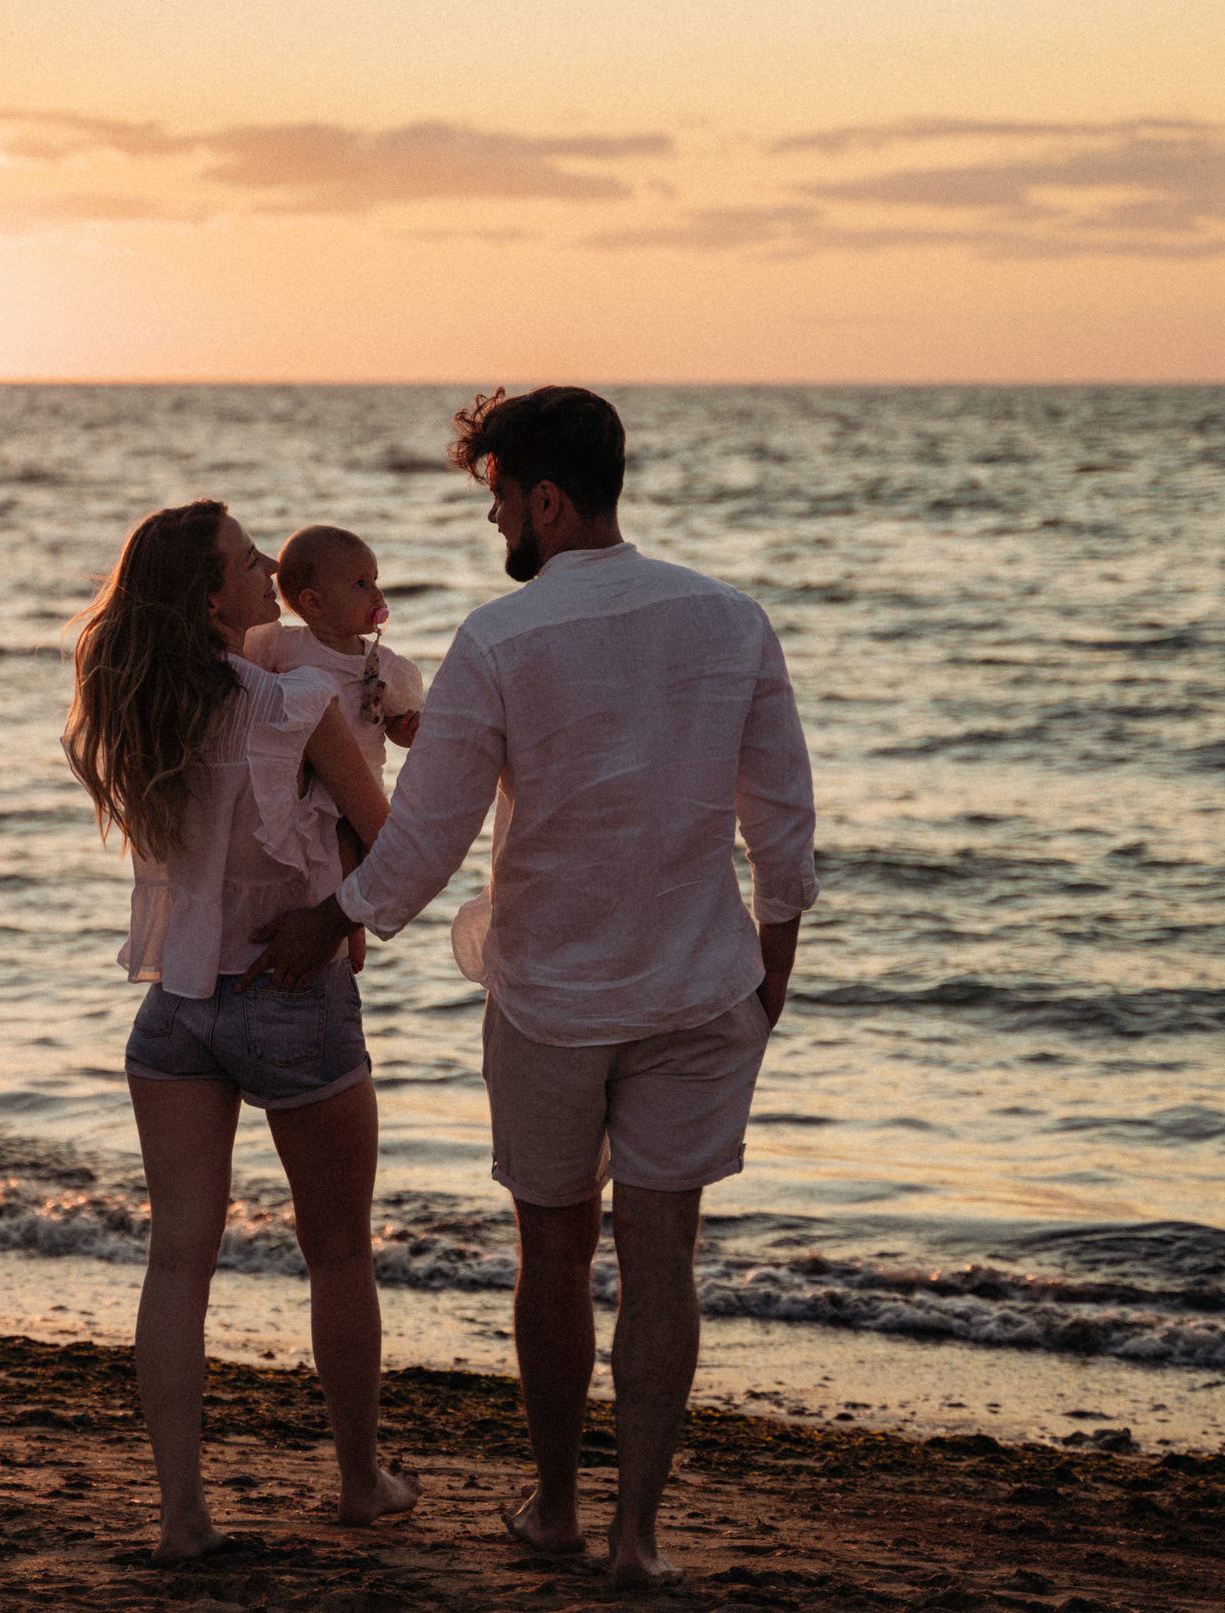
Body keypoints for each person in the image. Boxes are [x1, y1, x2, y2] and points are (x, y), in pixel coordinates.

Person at [243, 388, 818, 1588]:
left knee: (551, 1255)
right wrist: (771, 965)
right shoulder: (730, 619)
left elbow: (428, 838)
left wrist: (331, 920)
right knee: (662, 1258)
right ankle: (636, 1538)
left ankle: (556, 1510)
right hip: (700, 988)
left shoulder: (500, 640)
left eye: (500, 497)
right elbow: (781, 817)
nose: (495, 519)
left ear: (546, 499)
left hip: (551, 998)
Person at [64, 498, 422, 1562]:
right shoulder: (293, 703)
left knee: (177, 1263)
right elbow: (394, 844)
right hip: (288, 992)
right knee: (338, 1250)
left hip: (176, 1007)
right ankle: (359, 1482)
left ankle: (182, 1517)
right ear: (211, 597)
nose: (270, 571)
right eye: (249, 561)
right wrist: (337, 913)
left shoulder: (137, 705)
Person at [242, 523, 427, 777]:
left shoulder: (384, 665)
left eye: (374, 580)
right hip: (295, 783)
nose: (377, 594)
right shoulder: (278, 645)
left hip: (359, 786)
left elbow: (392, 724)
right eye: (360, 584)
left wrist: (407, 730)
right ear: (314, 602)